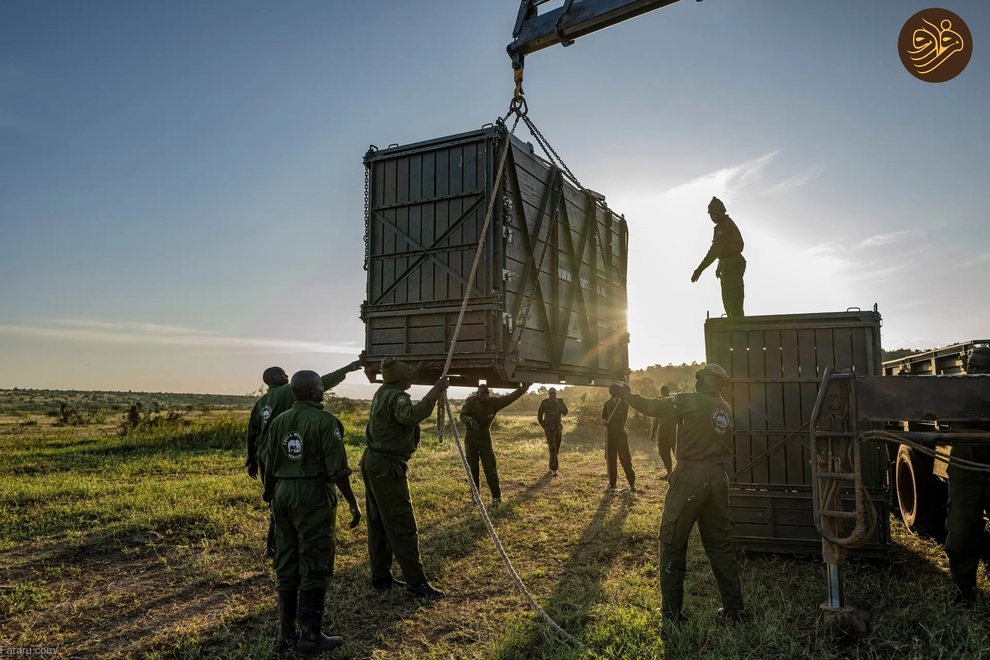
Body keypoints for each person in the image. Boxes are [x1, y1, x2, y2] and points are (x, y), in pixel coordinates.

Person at [613, 364, 750, 624]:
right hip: (718, 478)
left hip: (690, 477)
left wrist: (625, 394)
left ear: (703, 381)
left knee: (672, 541)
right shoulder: (724, 407)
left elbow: (653, 407)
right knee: (721, 545)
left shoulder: (692, 400)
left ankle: (672, 615)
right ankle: (734, 611)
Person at [258, 370, 362, 654]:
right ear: (316, 392)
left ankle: (284, 633)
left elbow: (268, 461)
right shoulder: (325, 421)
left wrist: (272, 494)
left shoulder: (279, 421)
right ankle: (310, 637)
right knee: (315, 558)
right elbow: (338, 470)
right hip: (312, 493)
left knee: (287, 559)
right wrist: (353, 502)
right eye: (321, 387)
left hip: (282, 492)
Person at [247, 360, 363, 559]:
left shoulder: (261, 402)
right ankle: (288, 547)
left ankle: (274, 547)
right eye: (283, 374)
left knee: (276, 499)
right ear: (274, 379)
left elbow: (252, 431)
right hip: (290, 453)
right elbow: (322, 381)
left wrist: (251, 459)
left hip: (268, 455)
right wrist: (346, 369)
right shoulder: (287, 391)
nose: (286, 376)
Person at [362, 357, 449, 599]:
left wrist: (417, 370)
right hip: (387, 466)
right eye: (407, 376)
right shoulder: (398, 397)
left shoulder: (383, 391)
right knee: (401, 523)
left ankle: (381, 577)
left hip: (372, 461)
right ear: (400, 380)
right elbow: (411, 415)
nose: (411, 378)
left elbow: (404, 379)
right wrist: (436, 390)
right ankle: (416, 583)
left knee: (378, 522)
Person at [945, 346, 990, 606]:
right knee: (960, 532)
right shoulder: (956, 390)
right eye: (971, 367)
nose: (974, 372)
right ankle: (964, 591)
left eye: (981, 369)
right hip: (964, 469)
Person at [459, 382, 531, 507]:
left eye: (487, 395)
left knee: (490, 468)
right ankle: (475, 498)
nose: (484, 397)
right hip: (471, 439)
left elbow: (509, 398)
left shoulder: (493, 402)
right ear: (477, 394)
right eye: (482, 395)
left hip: (484, 438)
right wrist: (470, 420)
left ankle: (496, 498)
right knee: (473, 469)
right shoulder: (470, 401)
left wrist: (523, 389)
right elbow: (462, 415)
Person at [691, 196, 746, 318]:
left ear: (722, 212)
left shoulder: (725, 227)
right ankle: (734, 323)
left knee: (733, 300)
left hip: (732, 263)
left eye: (715, 214)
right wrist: (719, 265)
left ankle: (738, 325)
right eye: (711, 214)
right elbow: (722, 250)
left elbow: (715, 251)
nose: (712, 217)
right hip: (727, 263)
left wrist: (700, 269)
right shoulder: (722, 226)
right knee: (728, 299)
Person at [602, 385, 636, 492]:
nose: (611, 391)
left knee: (625, 458)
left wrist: (625, 393)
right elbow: (603, 416)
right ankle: (612, 484)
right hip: (609, 434)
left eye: (613, 390)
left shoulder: (623, 403)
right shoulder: (607, 403)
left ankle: (631, 483)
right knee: (610, 459)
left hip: (620, 433)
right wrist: (604, 421)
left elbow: (627, 405)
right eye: (610, 390)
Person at [538, 387, 568, 476]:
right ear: (549, 394)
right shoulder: (545, 402)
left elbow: (565, 412)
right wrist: (544, 425)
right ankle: (554, 469)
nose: (552, 395)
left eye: (554, 394)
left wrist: (558, 404)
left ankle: (551, 466)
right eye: (551, 394)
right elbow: (539, 415)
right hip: (549, 429)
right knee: (552, 448)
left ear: (556, 394)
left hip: (558, 428)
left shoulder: (560, 402)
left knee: (556, 448)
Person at [650, 385, 676, 480]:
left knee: (676, 451)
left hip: (673, 430)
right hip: (662, 430)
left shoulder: (674, 401)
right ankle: (669, 472)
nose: (663, 392)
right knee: (663, 452)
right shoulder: (659, 402)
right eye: (662, 390)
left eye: (665, 390)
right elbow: (656, 417)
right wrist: (653, 430)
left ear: (669, 391)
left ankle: (678, 472)